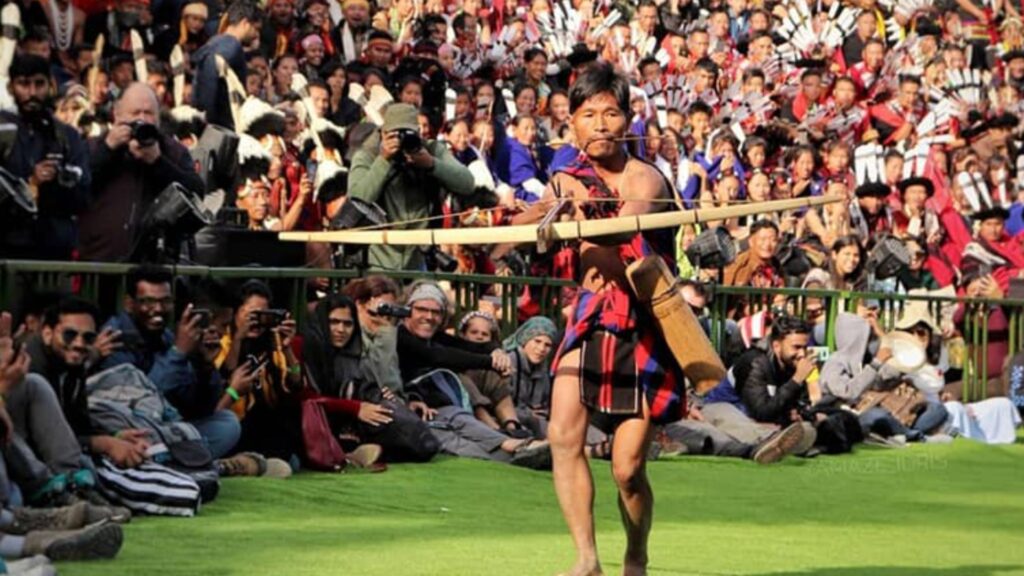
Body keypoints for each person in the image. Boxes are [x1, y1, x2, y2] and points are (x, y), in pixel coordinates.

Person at [521, 62, 683, 576]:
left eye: (610, 113)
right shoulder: (567, 178)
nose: (600, 125)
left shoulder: (647, 176)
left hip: (645, 321)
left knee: (627, 468)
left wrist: (579, 212)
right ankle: (586, 558)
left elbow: (624, 225)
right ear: (571, 126)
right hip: (592, 314)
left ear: (628, 119)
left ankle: (636, 553)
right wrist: (512, 217)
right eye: (587, 115)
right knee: (563, 436)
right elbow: (531, 219)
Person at [99, 266, 242, 460]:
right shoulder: (113, 337)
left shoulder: (165, 336)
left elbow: (197, 408)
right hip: (125, 432)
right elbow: (136, 407)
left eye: (165, 301)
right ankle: (190, 462)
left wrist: (204, 366)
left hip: (163, 428)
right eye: (148, 302)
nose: (157, 309)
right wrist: (178, 352)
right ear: (129, 304)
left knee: (227, 423)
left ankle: (185, 461)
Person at [302, 293, 438, 463]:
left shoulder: (351, 353)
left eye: (347, 324)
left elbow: (369, 382)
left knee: (423, 443)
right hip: (308, 423)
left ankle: (359, 451)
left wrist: (379, 394)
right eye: (333, 322)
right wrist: (355, 408)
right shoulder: (305, 347)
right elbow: (306, 398)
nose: (341, 330)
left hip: (350, 417)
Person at [79, 83, 204, 262]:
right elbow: (77, 185)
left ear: (159, 118)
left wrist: (158, 162)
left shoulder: (173, 152)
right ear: (117, 115)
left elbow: (196, 193)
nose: (142, 120)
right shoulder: (94, 146)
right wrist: (108, 149)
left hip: (152, 270)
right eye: (135, 113)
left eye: (149, 113)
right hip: (97, 264)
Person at [347, 103, 476, 270]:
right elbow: (357, 198)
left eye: (408, 134)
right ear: (383, 133)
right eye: (395, 135)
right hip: (377, 258)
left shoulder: (430, 150)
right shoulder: (368, 155)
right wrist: (383, 161)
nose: (402, 141)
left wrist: (431, 164)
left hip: (419, 258)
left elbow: (467, 183)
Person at [0, 54, 90, 260]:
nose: (32, 92)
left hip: (55, 255)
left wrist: (55, 183)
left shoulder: (67, 136)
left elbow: (83, 196)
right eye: (24, 84)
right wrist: (29, 184)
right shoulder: (3, 130)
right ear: (11, 88)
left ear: (50, 85)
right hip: (7, 255)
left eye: (39, 84)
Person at [191, 0, 261, 129]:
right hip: (219, 125)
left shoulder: (215, 42)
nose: (256, 35)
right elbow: (211, 72)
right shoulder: (231, 46)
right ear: (245, 23)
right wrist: (207, 118)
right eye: (256, 29)